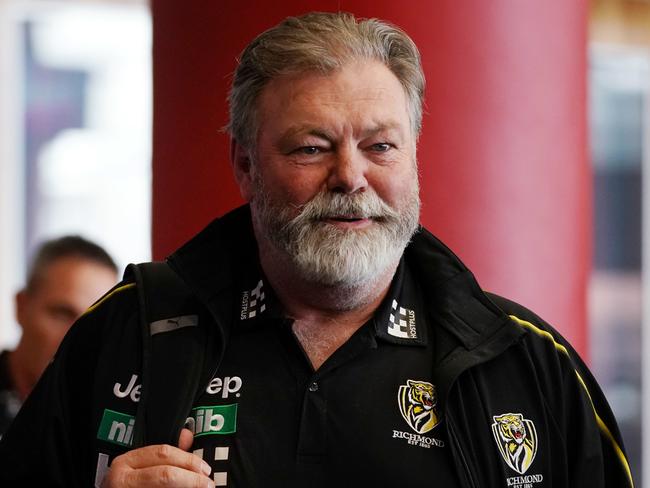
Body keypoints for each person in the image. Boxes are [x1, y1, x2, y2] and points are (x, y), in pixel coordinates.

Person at [0, 12, 633, 488]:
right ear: (245, 165)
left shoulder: (526, 363)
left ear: (414, 161)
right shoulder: (125, 331)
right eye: (311, 147)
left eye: (380, 146)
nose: (350, 176)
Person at [0, 235, 117, 435]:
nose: (80, 337)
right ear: (21, 307)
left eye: (96, 323)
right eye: (63, 314)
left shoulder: (106, 417)